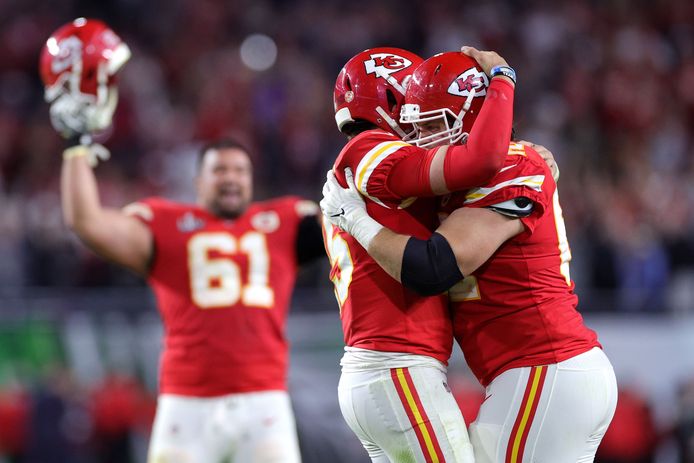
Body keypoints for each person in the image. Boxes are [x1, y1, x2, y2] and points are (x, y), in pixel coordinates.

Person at [40, 18, 325, 463]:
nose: (230, 179)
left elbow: (345, 221)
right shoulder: (166, 221)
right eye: (219, 171)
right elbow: (87, 222)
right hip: (186, 403)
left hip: (264, 401)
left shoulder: (283, 219)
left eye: (239, 171)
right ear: (198, 181)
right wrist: (76, 147)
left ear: (253, 182)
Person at [321, 51, 618, 463]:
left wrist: (357, 222)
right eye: (417, 123)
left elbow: (433, 266)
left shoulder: (511, 165)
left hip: (544, 363)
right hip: (530, 370)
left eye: (434, 124)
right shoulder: (439, 175)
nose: (421, 136)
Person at [325, 45, 519, 462]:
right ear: (393, 96)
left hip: (385, 367)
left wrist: (528, 154)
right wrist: (504, 78)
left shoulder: (371, 162)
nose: (420, 112)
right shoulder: (370, 148)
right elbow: (481, 160)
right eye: (413, 96)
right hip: (395, 365)